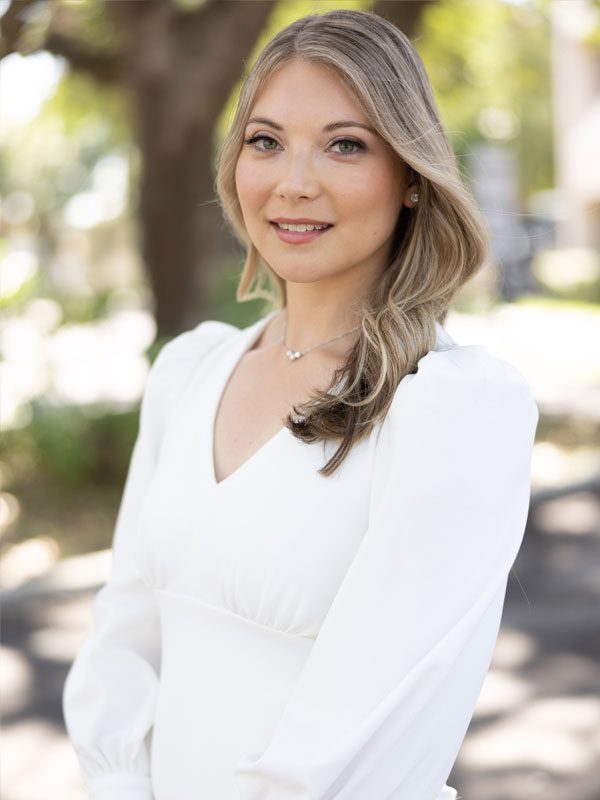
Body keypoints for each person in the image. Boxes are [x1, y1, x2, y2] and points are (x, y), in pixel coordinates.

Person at [62, 9, 539, 800]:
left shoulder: (451, 411)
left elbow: (372, 725)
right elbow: (126, 634)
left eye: (345, 144)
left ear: (413, 178)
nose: (294, 181)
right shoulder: (190, 374)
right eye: (266, 140)